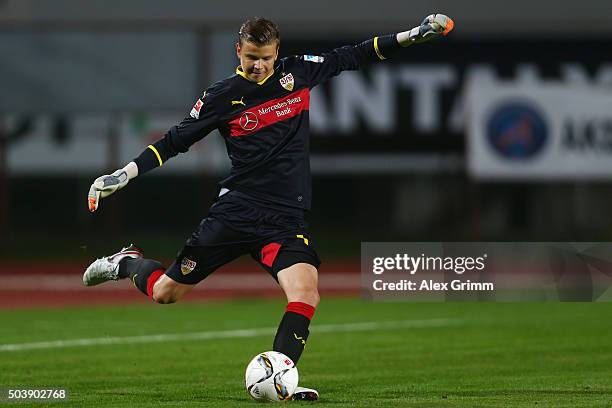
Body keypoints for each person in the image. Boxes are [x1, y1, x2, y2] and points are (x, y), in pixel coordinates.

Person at [83, 14, 454, 401]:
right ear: (238, 52)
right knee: (165, 293)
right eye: (250, 57)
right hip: (236, 212)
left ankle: (281, 377)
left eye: (265, 58)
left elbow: (355, 55)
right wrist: (124, 174)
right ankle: (126, 262)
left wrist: (412, 35)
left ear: (278, 52)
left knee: (306, 294)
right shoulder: (221, 96)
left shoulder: (297, 74)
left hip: (285, 218)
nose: (258, 66)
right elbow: (175, 141)